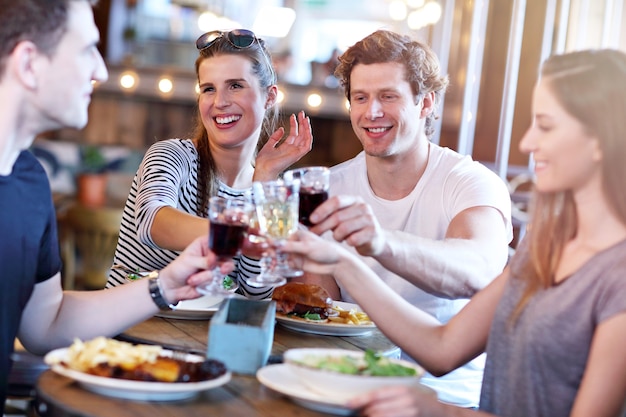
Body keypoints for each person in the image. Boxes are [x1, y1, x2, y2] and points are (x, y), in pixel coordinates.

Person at [284, 48, 626, 417]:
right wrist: (342, 261)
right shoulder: (547, 247)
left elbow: (475, 273)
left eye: (545, 125)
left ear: (598, 138)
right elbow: (442, 349)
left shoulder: (616, 275)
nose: (527, 143)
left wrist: (443, 412)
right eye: (360, 98)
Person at [0, 0, 234, 412]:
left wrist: (165, 285)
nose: (101, 71)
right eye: (87, 49)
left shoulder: (30, 181)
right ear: (29, 63)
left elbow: (46, 323)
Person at [299, 30, 512, 407]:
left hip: (443, 400)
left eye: (388, 96)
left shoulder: (470, 182)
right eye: (360, 98)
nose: (372, 112)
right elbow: (318, 315)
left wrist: (380, 242)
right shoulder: (329, 187)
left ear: (426, 102)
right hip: (346, 386)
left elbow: (478, 272)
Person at [105, 29, 313, 299]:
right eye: (208, 89)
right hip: (133, 330)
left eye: (235, 86)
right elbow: (151, 222)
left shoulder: (268, 188)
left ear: (270, 97)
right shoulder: (171, 155)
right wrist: (242, 234)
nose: (220, 102)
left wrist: (264, 182)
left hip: (207, 339)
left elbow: (255, 293)